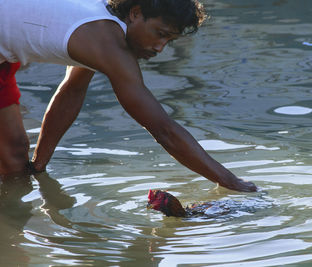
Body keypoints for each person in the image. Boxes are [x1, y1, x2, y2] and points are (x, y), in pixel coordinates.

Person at [0, 0, 257, 192]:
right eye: (160, 34)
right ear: (136, 13)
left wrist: (40, 163)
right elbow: (162, 129)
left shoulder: (102, 27)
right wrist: (230, 181)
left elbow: (73, 90)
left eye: (169, 40)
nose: (159, 48)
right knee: (12, 161)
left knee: (14, 158)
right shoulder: (107, 42)